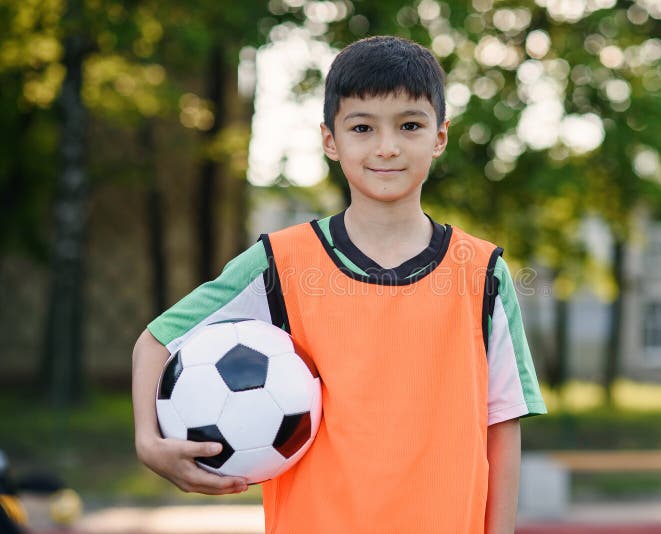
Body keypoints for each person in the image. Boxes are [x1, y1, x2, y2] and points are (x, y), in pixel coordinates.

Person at [132, 35, 546, 533]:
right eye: (363, 127)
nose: (387, 146)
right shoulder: (280, 263)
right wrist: (149, 442)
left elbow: (501, 424)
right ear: (331, 140)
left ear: (440, 136)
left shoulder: (482, 272)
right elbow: (157, 340)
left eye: (410, 125)